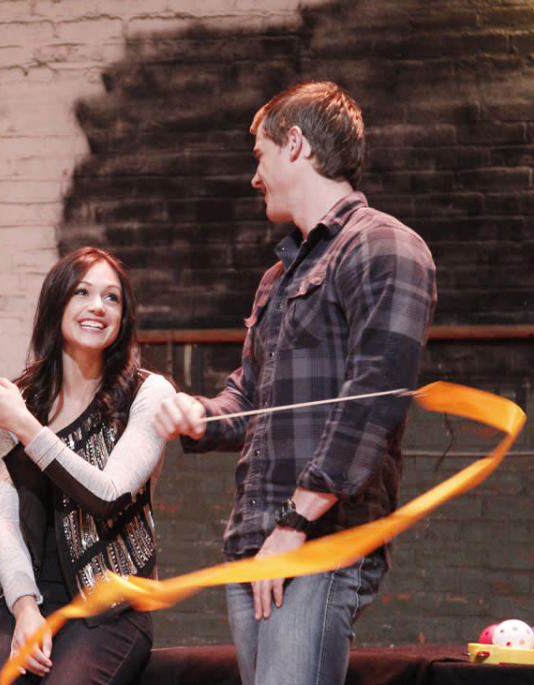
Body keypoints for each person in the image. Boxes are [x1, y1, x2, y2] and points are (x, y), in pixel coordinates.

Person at [152, 81, 437, 685]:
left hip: (315, 540)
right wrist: (197, 414)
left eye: (259, 155)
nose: (254, 177)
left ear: (296, 145)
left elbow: (374, 398)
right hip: (257, 541)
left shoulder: (383, 246)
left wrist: (296, 523)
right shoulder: (276, 279)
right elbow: (250, 397)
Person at [0, 247, 175, 685]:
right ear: (56, 304)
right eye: (82, 292)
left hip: (109, 607)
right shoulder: (18, 399)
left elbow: (108, 494)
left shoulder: (147, 392)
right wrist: (24, 609)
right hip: (26, 594)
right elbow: (3, 521)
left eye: (112, 298)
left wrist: (26, 427)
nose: (97, 307)